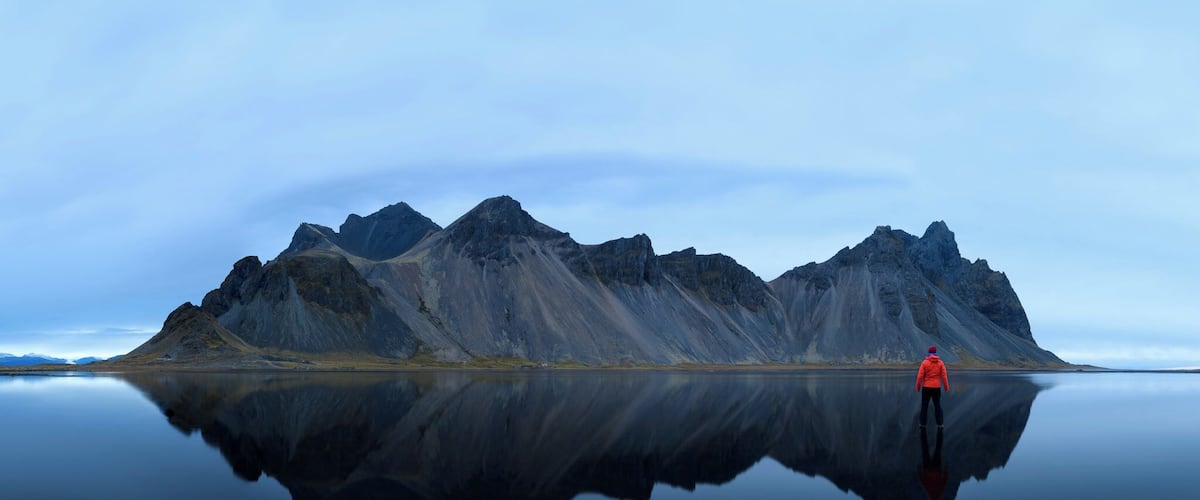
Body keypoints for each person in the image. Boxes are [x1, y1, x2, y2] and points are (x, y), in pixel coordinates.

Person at [916, 345, 949, 428]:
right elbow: (944, 376)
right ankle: (940, 424)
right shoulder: (940, 363)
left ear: (929, 352)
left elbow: (920, 376)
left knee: (924, 406)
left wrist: (918, 386)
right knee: (937, 405)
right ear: (935, 353)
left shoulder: (925, 362)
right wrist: (946, 387)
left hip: (926, 387)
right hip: (936, 388)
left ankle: (923, 424)